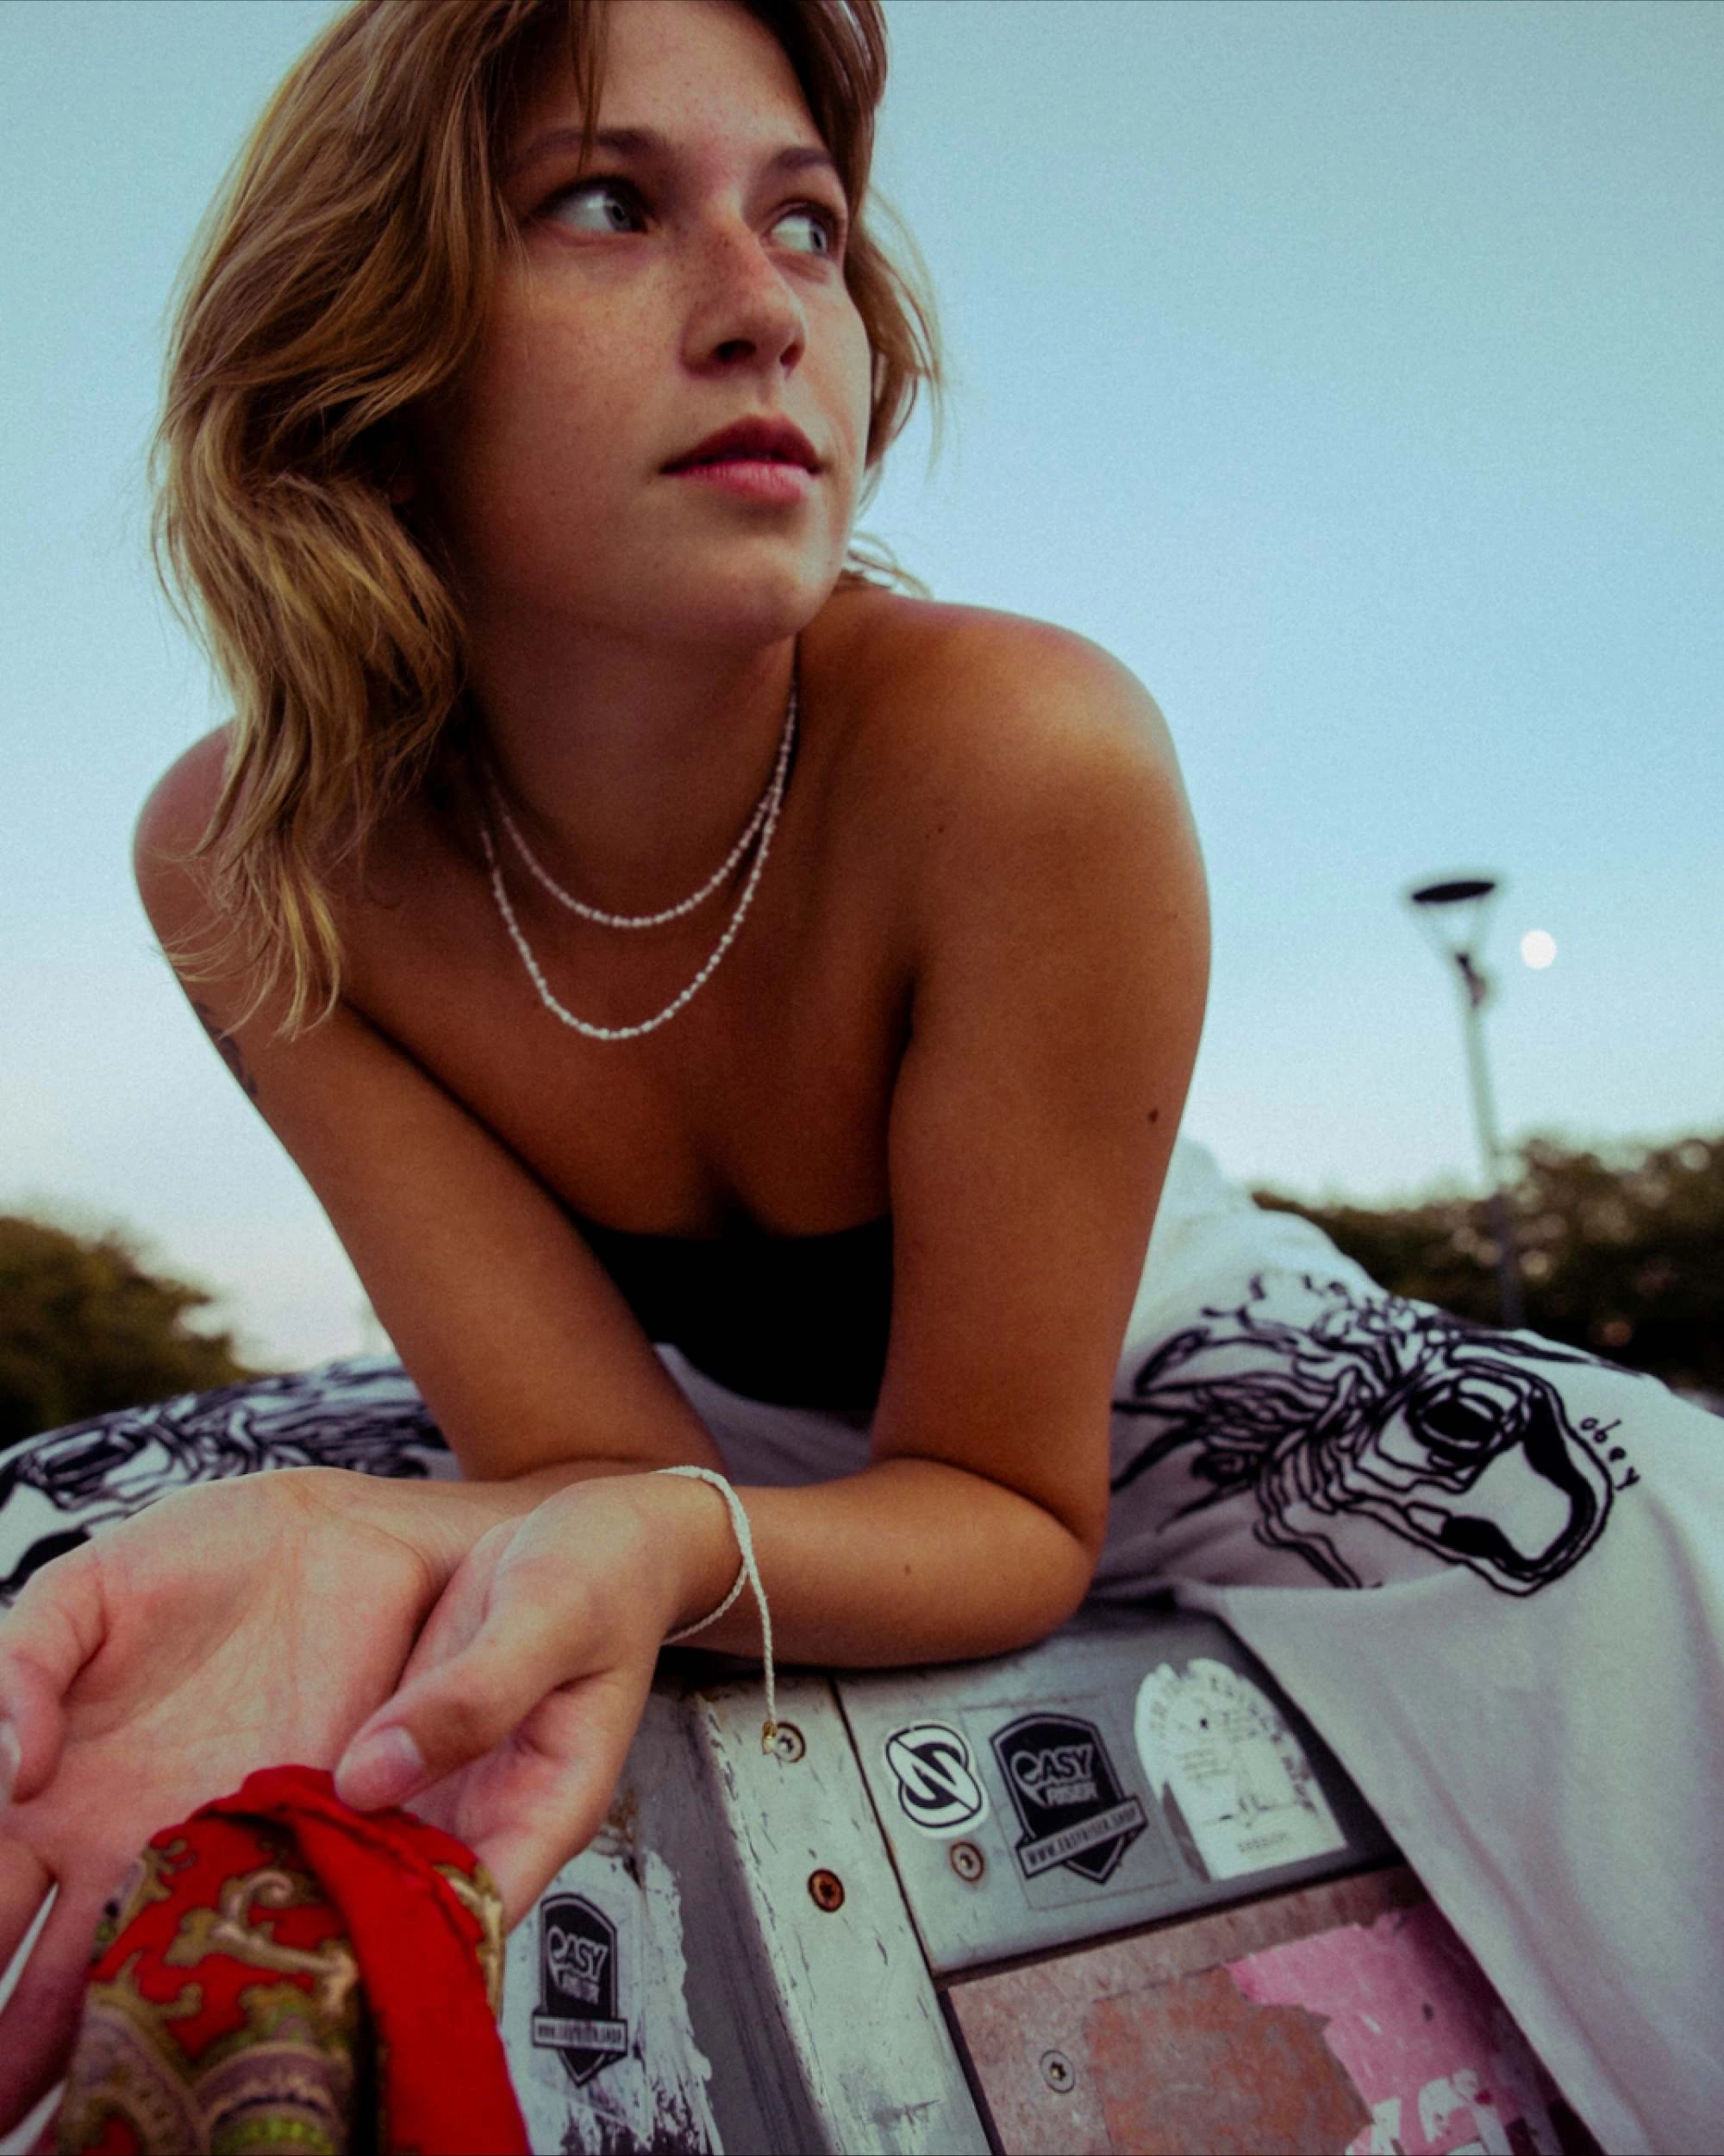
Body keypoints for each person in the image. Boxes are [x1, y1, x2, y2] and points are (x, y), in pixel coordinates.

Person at [0, 4, 1717, 2151]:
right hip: (679, 1430)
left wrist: (579, 1535)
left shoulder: (1020, 749)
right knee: (60, 1539)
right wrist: (346, 1532)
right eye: (609, 204)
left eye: (805, 225)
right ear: (375, 339)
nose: (762, 313)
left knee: (1625, 1534)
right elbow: (581, 1459)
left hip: (1130, 1373)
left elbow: (1005, 1505)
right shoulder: (249, 856)